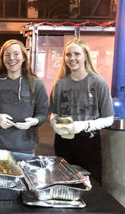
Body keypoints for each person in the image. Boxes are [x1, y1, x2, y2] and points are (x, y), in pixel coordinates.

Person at [49, 38, 114, 184]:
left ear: (85, 56)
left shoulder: (98, 83)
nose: (72, 58)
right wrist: (54, 122)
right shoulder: (60, 84)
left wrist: (85, 125)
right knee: (63, 182)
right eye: (68, 55)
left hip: (88, 143)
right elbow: (55, 113)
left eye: (77, 54)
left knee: (90, 185)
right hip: (63, 142)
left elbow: (109, 118)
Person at [0, 39, 48, 161]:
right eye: (7, 55)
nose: (11, 58)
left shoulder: (36, 84)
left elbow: (43, 114)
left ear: (24, 57)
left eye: (16, 54)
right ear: (2, 59)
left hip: (25, 149)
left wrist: (33, 121)